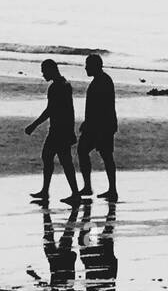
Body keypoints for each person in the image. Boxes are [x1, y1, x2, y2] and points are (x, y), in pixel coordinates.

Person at [25, 59, 82, 205]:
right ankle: (49, 191)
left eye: (44, 70)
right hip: (63, 129)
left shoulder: (57, 87)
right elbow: (70, 110)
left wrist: (34, 125)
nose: (43, 74)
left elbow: (50, 110)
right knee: (56, 159)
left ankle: (70, 194)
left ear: (51, 70)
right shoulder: (65, 85)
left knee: (57, 159)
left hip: (58, 130)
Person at [77, 53, 118, 201]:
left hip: (101, 126)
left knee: (104, 156)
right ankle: (103, 188)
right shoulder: (101, 80)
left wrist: (89, 124)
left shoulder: (103, 82)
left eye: (88, 65)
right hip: (99, 125)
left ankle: (108, 189)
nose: (86, 68)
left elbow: (101, 108)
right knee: (93, 153)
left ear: (95, 66)